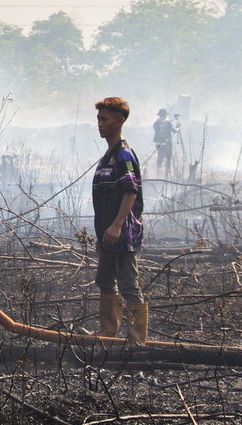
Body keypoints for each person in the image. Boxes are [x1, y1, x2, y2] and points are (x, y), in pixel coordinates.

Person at [92, 97, 147, 345]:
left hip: (123, 233)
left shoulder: (123, 155)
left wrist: (116, 225)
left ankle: (137, 341)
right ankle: (108, 335)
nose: (100, 124)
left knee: (128, 284)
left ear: (120, 121)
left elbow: (130, 191)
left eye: (105, 119)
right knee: (104, 280)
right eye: (99, 119)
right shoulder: (107, 158)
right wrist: (102, 233)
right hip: (108, 234)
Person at [152, 108, 180, 177]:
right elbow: (174, 131)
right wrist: (178, 127)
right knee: (168, 158)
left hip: (159, 143)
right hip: (167, 144)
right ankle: (166, 173)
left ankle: (159, 173)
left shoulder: (156, 123)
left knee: (160, 157)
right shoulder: (168, 123)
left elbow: (157, 132)